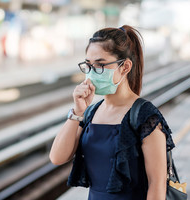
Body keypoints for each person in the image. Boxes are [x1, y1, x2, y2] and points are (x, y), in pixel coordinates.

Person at [49, 25, 175, 200]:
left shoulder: (144, 115)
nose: (92, 72)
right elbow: (57, 157)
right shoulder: (91, 112)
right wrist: (77, 112)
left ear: (125, 67)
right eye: (88, 65)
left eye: (100, 64)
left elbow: (157, 184)